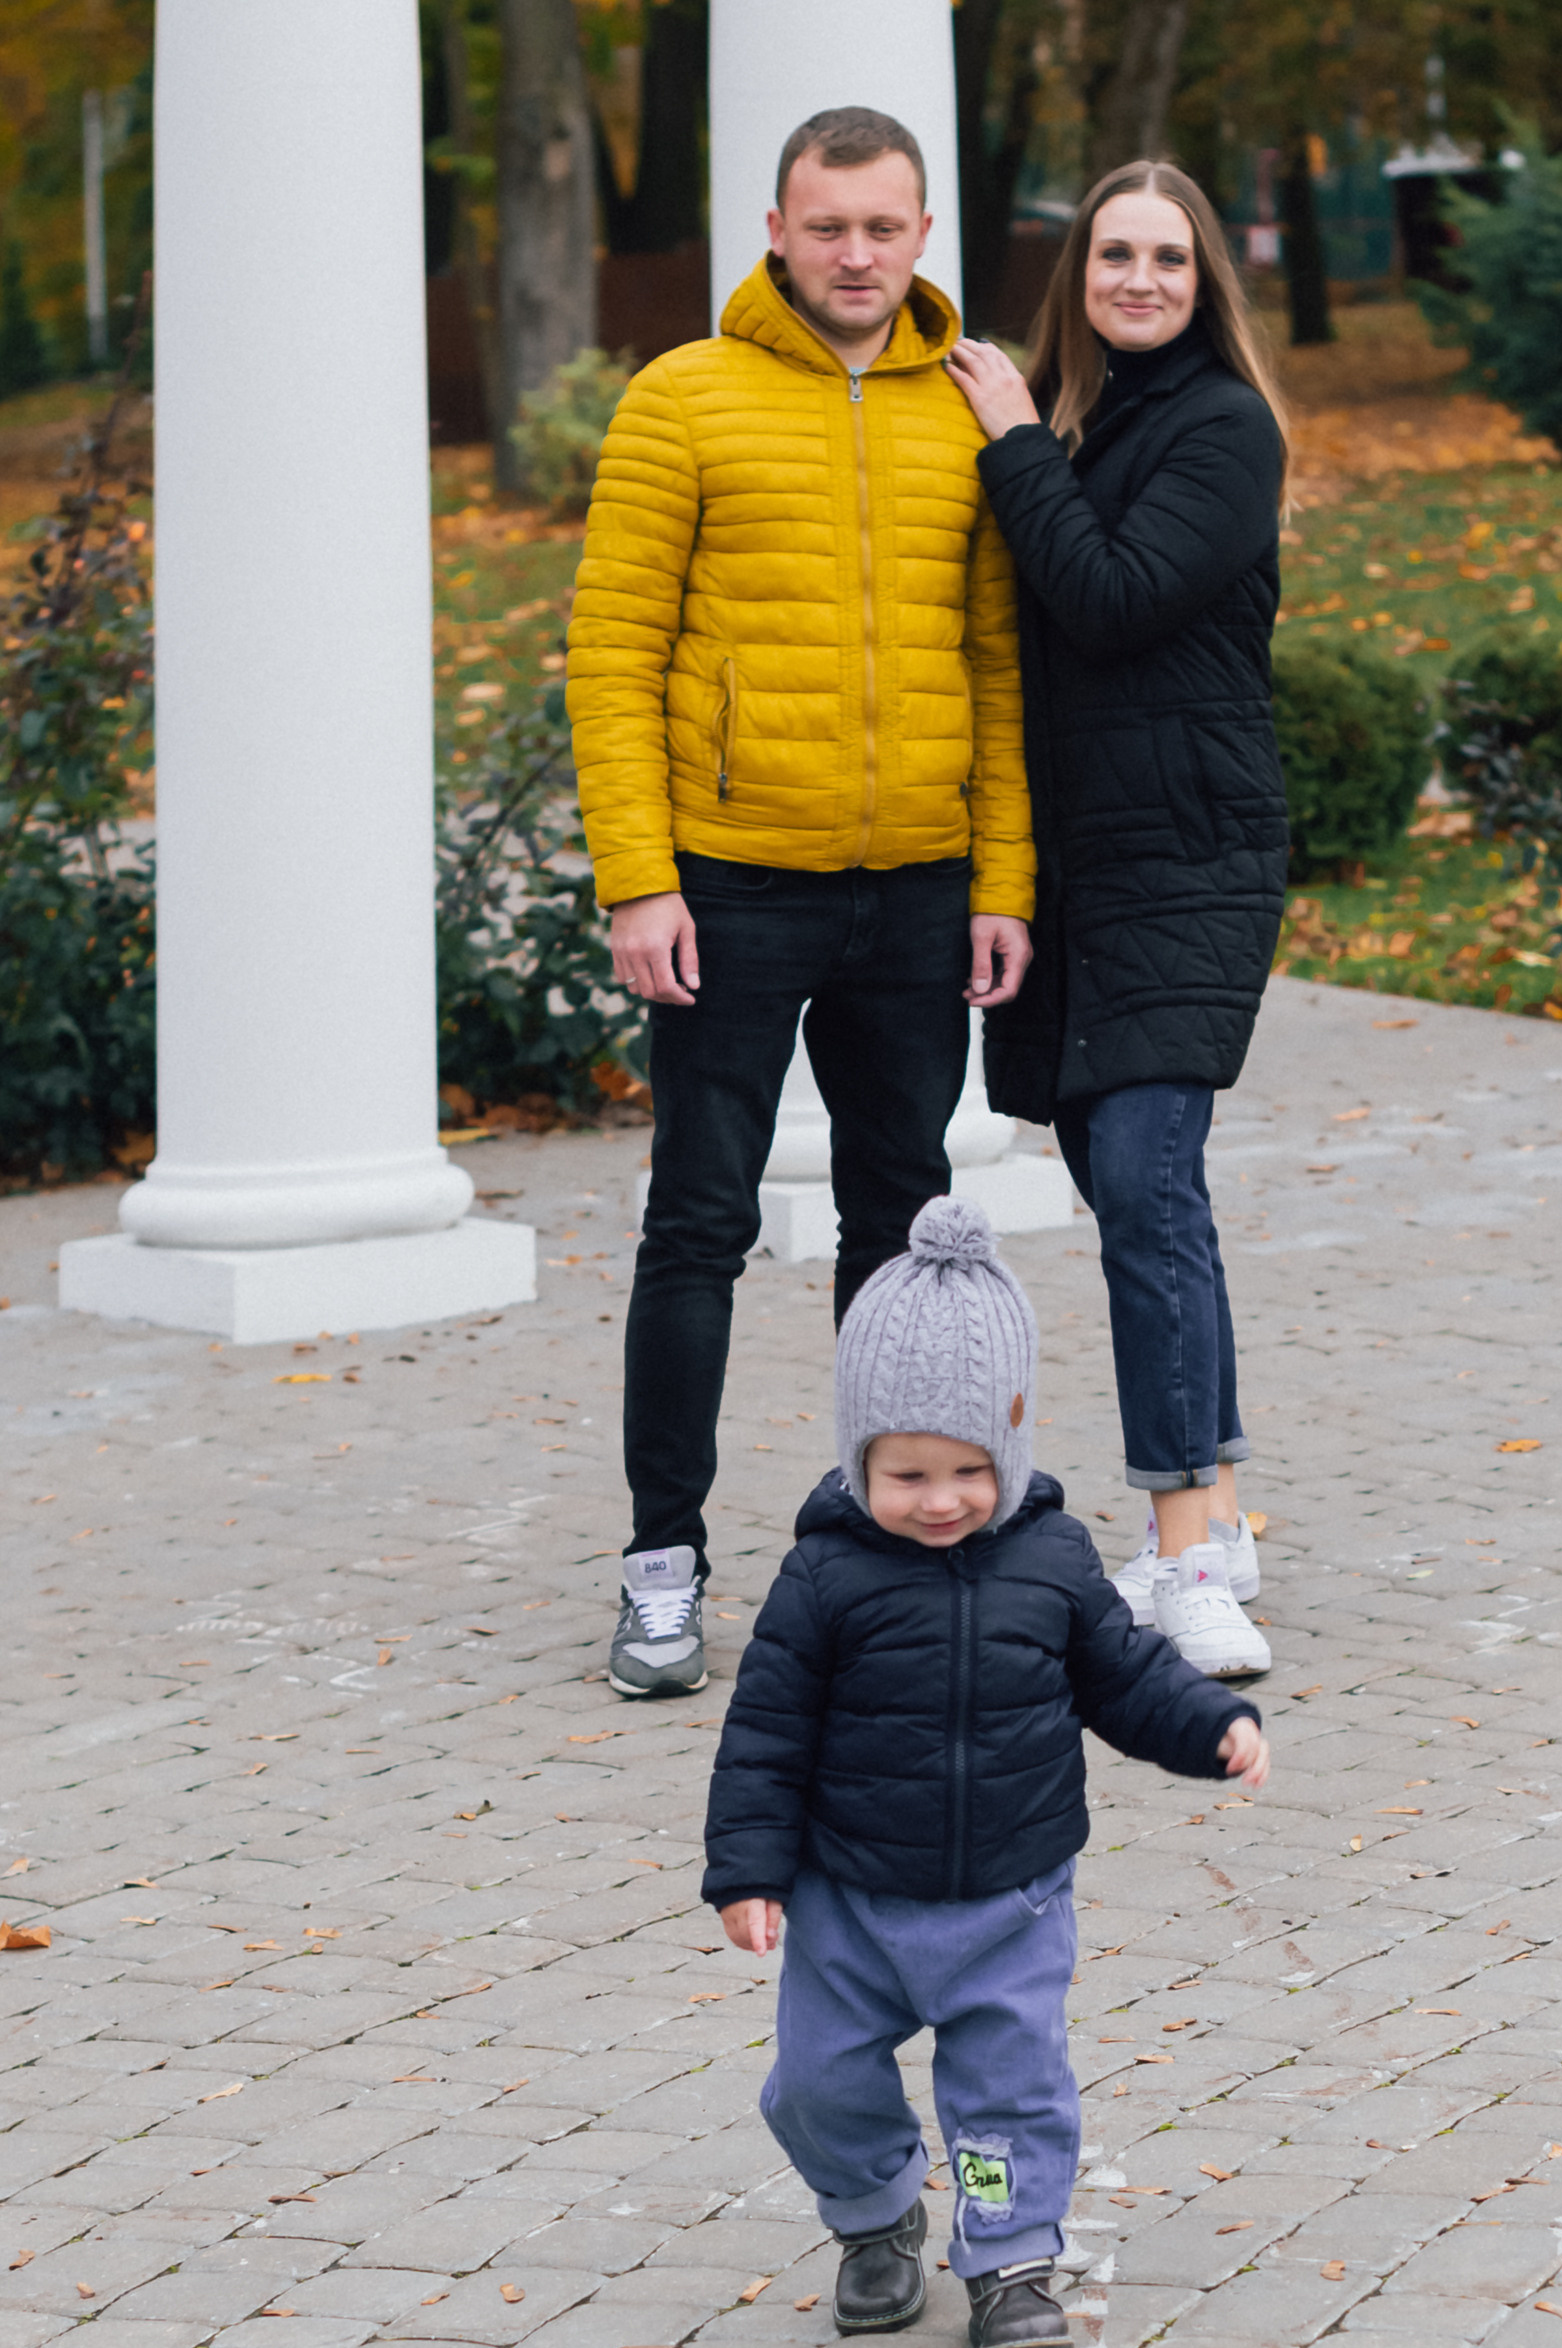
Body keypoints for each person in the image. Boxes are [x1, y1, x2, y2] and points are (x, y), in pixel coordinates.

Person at [568, 106, 1035, 1701]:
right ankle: (661, 1563)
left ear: (923, 235)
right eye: (827, 225)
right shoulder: (681, 399)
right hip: (728, 885)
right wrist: (638, 877)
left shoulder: (974, 411)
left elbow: (995, 666)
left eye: (884, 227)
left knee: (902, 1231)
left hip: (916, 890)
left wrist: (1004, 882)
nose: (856, 254)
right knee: (697, 1221)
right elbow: (615, 657)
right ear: (776, 227)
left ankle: (881, 1552)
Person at [702, 1197, 1268, 2348]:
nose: (943, 1499)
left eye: (969, 1469)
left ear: (1009, 1449)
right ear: (858, 1457)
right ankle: (872, 2217)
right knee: (813, 2086)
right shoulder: (822, 1577)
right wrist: (747, 1871)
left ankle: (1008, 2259)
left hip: (1007, 1900)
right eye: (907, 1473)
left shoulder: (1051, 1560)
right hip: (848, 1901)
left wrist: (1206, 1724)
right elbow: (763, 1732)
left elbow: (1123, 1676)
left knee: (1007, 2090)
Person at [944, 162, 1289, 1681]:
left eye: (1166, 257)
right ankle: (1218, 1503)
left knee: (1147, 1196)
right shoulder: (1092, 423)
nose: (1138, 279)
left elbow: (1107, 596)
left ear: (1204, 278)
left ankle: (1186, 1552)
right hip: (1079, 868)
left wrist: (1012, 439)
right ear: (1079, 271)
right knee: (1143, 1202)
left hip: (1187, 857)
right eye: (1113, 255)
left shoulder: (1222, 427)